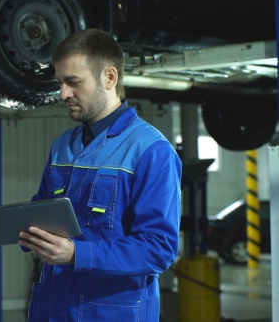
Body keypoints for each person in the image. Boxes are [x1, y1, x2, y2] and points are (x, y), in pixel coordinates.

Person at [18, 29, 182, 322]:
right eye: (60, 82)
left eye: (73, 82)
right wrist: (25, 229)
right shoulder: (62, 146)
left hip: (111, 313)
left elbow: (159, 249)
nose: (63, 93)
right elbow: (42, 209)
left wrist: (75, 255)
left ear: (109, 77)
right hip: (52, 309)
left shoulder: (151, 151)